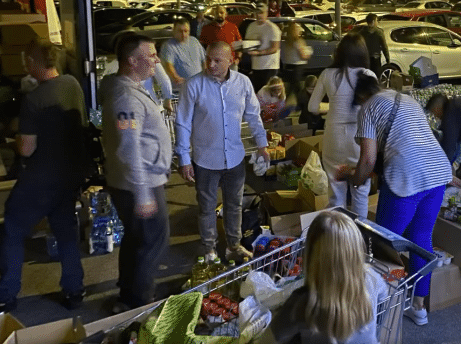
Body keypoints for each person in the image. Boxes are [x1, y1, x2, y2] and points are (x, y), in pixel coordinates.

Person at [351, 73, 452, 326]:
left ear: (361, 96)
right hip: (437, 171)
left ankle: (377, 313)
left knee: (383, 243)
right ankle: (418, 308)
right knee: (421, 238)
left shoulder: (368, 108)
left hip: (407, 176)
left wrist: (354, 179)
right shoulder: (406, 99)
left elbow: (367, 160)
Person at [0, 40, 87, 312]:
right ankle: (74, 291)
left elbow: (26, 149)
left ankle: (6, 293)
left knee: (12, 229)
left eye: (28, 62)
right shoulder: (72, 85)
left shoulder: (34, 100)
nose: (26, 67)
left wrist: (13, 139)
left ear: (37, 64)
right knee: (65, 233)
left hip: (39, 180)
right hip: (68, 176)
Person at [175, 41, 270, 264]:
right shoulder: (194, 85)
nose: (211, 64)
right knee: (207, 207)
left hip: (235, 157)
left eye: (218, 60)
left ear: (231, 60)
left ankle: (233, 246)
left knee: (234, 206)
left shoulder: (243, 83)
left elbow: (254, 116)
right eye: (208, 58)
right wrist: (184, 158)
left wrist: (262, 144)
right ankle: (209, 249)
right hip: (205, 159)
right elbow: (182, 123)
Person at [100, 33, 172, 310]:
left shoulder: (130, 88)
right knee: (152, 243)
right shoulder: (126, 99)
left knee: (135, 239)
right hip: (140, 184)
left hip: (134, 181)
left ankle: (127, 293)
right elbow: (129, 149)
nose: (156, 60)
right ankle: (141, 304)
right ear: (132, 61)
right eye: (151, 55)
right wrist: (144, 194)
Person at [267, 211, 387, 344]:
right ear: (356, 251)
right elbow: (383, 295)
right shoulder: (372, 277)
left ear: (310, 256)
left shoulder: (304, 302)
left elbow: (269, 339)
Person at [308, 34, 376, 217]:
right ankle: (360, 236)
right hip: (360, 139)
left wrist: (334, 107)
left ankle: (336, 238)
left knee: (336, 194)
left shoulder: (327, 74)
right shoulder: (368, 75)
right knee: (360, 193)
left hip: (334, 138)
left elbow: (312, 107)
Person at [160, 19, 206, 94]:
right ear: (174, 31)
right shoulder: (168, 46)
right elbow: (168, 65)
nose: (183, 34)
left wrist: (206, 75)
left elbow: (204, 60)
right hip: (182, 89)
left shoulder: (194, 41)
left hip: (199, 86)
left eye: (186, 31)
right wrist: (176, 78)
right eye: (180, 31)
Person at [244, 3, 282, 93]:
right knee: (258, 92)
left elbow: (274, 48)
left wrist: (258, 53)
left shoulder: (272, 28)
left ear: (266, 13)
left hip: (269, 67)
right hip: (256, 66)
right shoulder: (251, 26)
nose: (259, 15)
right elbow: (248, 43)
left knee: (268, 92)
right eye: (257, 13)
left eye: (261, 13)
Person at [282, 21, 312, 99]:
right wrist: (309, 51)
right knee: (298, 89)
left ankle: (283, 104)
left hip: (288, 66)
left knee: (291, 88)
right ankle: (303, 106)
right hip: (297, 67)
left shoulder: (286, 41)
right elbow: (303, 55)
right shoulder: (297, 41)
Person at [359, 14, 390, 78]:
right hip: (376, 59)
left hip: (365, 58)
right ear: (373, 22)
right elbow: (384, 46)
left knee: (366, 77)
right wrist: (387, 58)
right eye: (376, 20)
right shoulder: (379, 32)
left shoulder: (362, 32)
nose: (377, 22)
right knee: (376, 77)